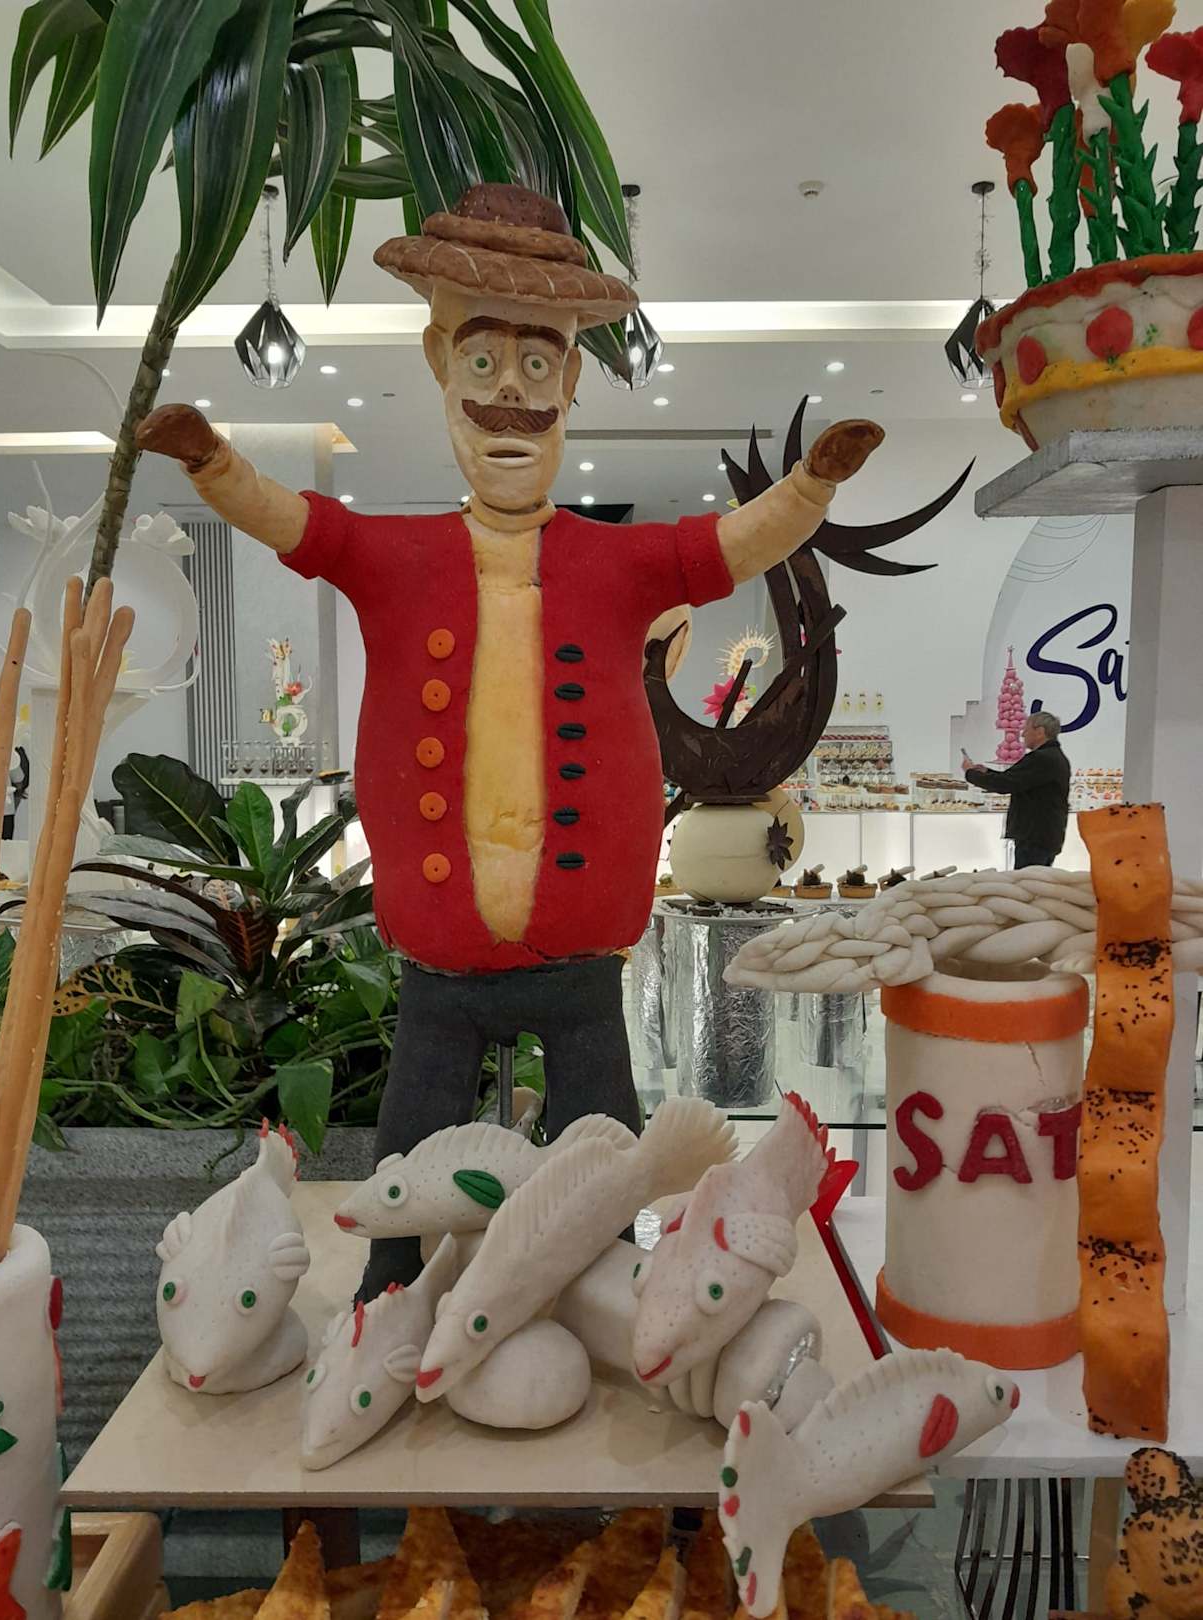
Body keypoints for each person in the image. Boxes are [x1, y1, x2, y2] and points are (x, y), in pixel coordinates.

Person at [135, 183, 884, 1295]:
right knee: (411, 1145)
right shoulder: (395, 558)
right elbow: (299, 523)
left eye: (538, 367)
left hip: (579, 939)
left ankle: (607, 1278)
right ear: (441, 365)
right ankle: (394, 1284)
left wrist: (810, 489)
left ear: (570, 383)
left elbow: (728, 545)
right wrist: (211, 463)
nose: (511, 398)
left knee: (602, 1140)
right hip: (442, 944)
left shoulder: (617, 564)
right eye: (484, 363)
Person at [963, 711, 1071, 869]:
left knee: (1028, 882)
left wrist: (970, 773)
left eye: (1026, 729)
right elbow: (1015, 780)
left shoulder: (1041, 759)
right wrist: (986, 772)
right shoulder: (1055, 757)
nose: (1022, 734)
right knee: (1038, 880)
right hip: (1045, 835)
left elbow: (1005, 783)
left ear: (1040, 732)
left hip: (1034, 836)